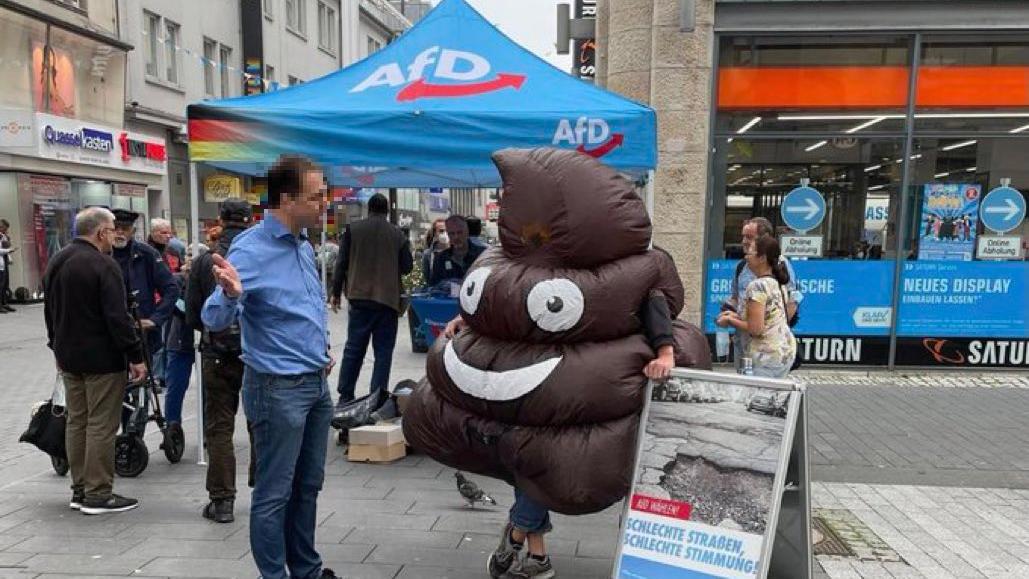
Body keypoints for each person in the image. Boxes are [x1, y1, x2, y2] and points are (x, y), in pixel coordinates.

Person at [202, 156, 337, 579]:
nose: (324, 204)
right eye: (315, 197)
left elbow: (302, 309)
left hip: (314, 385)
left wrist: (322, 348)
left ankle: (306, 570)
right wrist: (229, 295)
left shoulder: (301, 243)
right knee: (275, 492)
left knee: (308, 486)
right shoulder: (251, 249)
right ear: (285, 199)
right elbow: (212, 318)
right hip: (277, 389)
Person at [43, 207, 146, 515]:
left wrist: (55, 347)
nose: (117, 234)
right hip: (102, 358)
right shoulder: (105, 265)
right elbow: (118, 318)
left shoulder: (57, 260)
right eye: (113, 228)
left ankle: (79, 489)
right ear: (101, 232)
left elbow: (50, 312)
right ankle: (98, 493)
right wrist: (135, 355)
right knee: (102, 424)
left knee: (78, 421)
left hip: (69, 356)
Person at [186, 198, 255, 524]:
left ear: (220, 220)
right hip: (255, 351)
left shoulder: (203, 261)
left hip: (216, 353)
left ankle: (222, 501)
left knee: (219, 428)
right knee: (260, 424)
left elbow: (194, 313)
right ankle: (264, 489)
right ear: (250, 220)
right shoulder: (257, 255)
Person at [330, 193, 413, 407]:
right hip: (387, 301)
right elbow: (407, 267)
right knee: (383, 353)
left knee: (354, 349)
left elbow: (341, 263)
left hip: (359, 298)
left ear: (369, 209)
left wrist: (336, 292)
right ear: (386, 211)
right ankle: (376, 399)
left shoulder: (353, 230)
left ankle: (345, 396)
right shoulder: (397, 234)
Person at [111, 209, 178, 398]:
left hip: (139, 335)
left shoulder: (146, 253)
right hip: (109, 336)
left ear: (133, 230)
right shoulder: (101, 253)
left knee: (138, 395)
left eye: (124, 228)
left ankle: (134, 425)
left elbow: (171, 288)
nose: (119, 233)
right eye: (115, 228)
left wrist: (156, 319)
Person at [723, 217, 800, 371]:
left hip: (766, 349)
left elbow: (792, 301)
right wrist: (729, 311)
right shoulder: (741, 267)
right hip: (746, 343)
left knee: (757, 390)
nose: (744, 241)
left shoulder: (778, 267)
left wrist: (774, 329)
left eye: (749, 237)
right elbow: (736, 299)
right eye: (743, 236)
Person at [426, 215, 485, 288]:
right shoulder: (440, 259)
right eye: (452, 233)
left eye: (459, 232)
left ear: (467, 232)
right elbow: (434, 286)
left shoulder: (482, 255)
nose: (456, 237)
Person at [420, 218, 448, 283]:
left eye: (447, 230)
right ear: (435, 233)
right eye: (441, 231)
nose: (445, 233)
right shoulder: (428, 254)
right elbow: (427, 278)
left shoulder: (455, 251)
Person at [0, 219, 17, 313]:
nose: (5, 230)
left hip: (4, 259)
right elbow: (4, 248)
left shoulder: (3, 235)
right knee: (1, 284)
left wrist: (9, 258)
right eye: (4, 228)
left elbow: (7, 246)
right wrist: (9, 250)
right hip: (1, 260)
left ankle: (4, 303)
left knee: (5, 283)